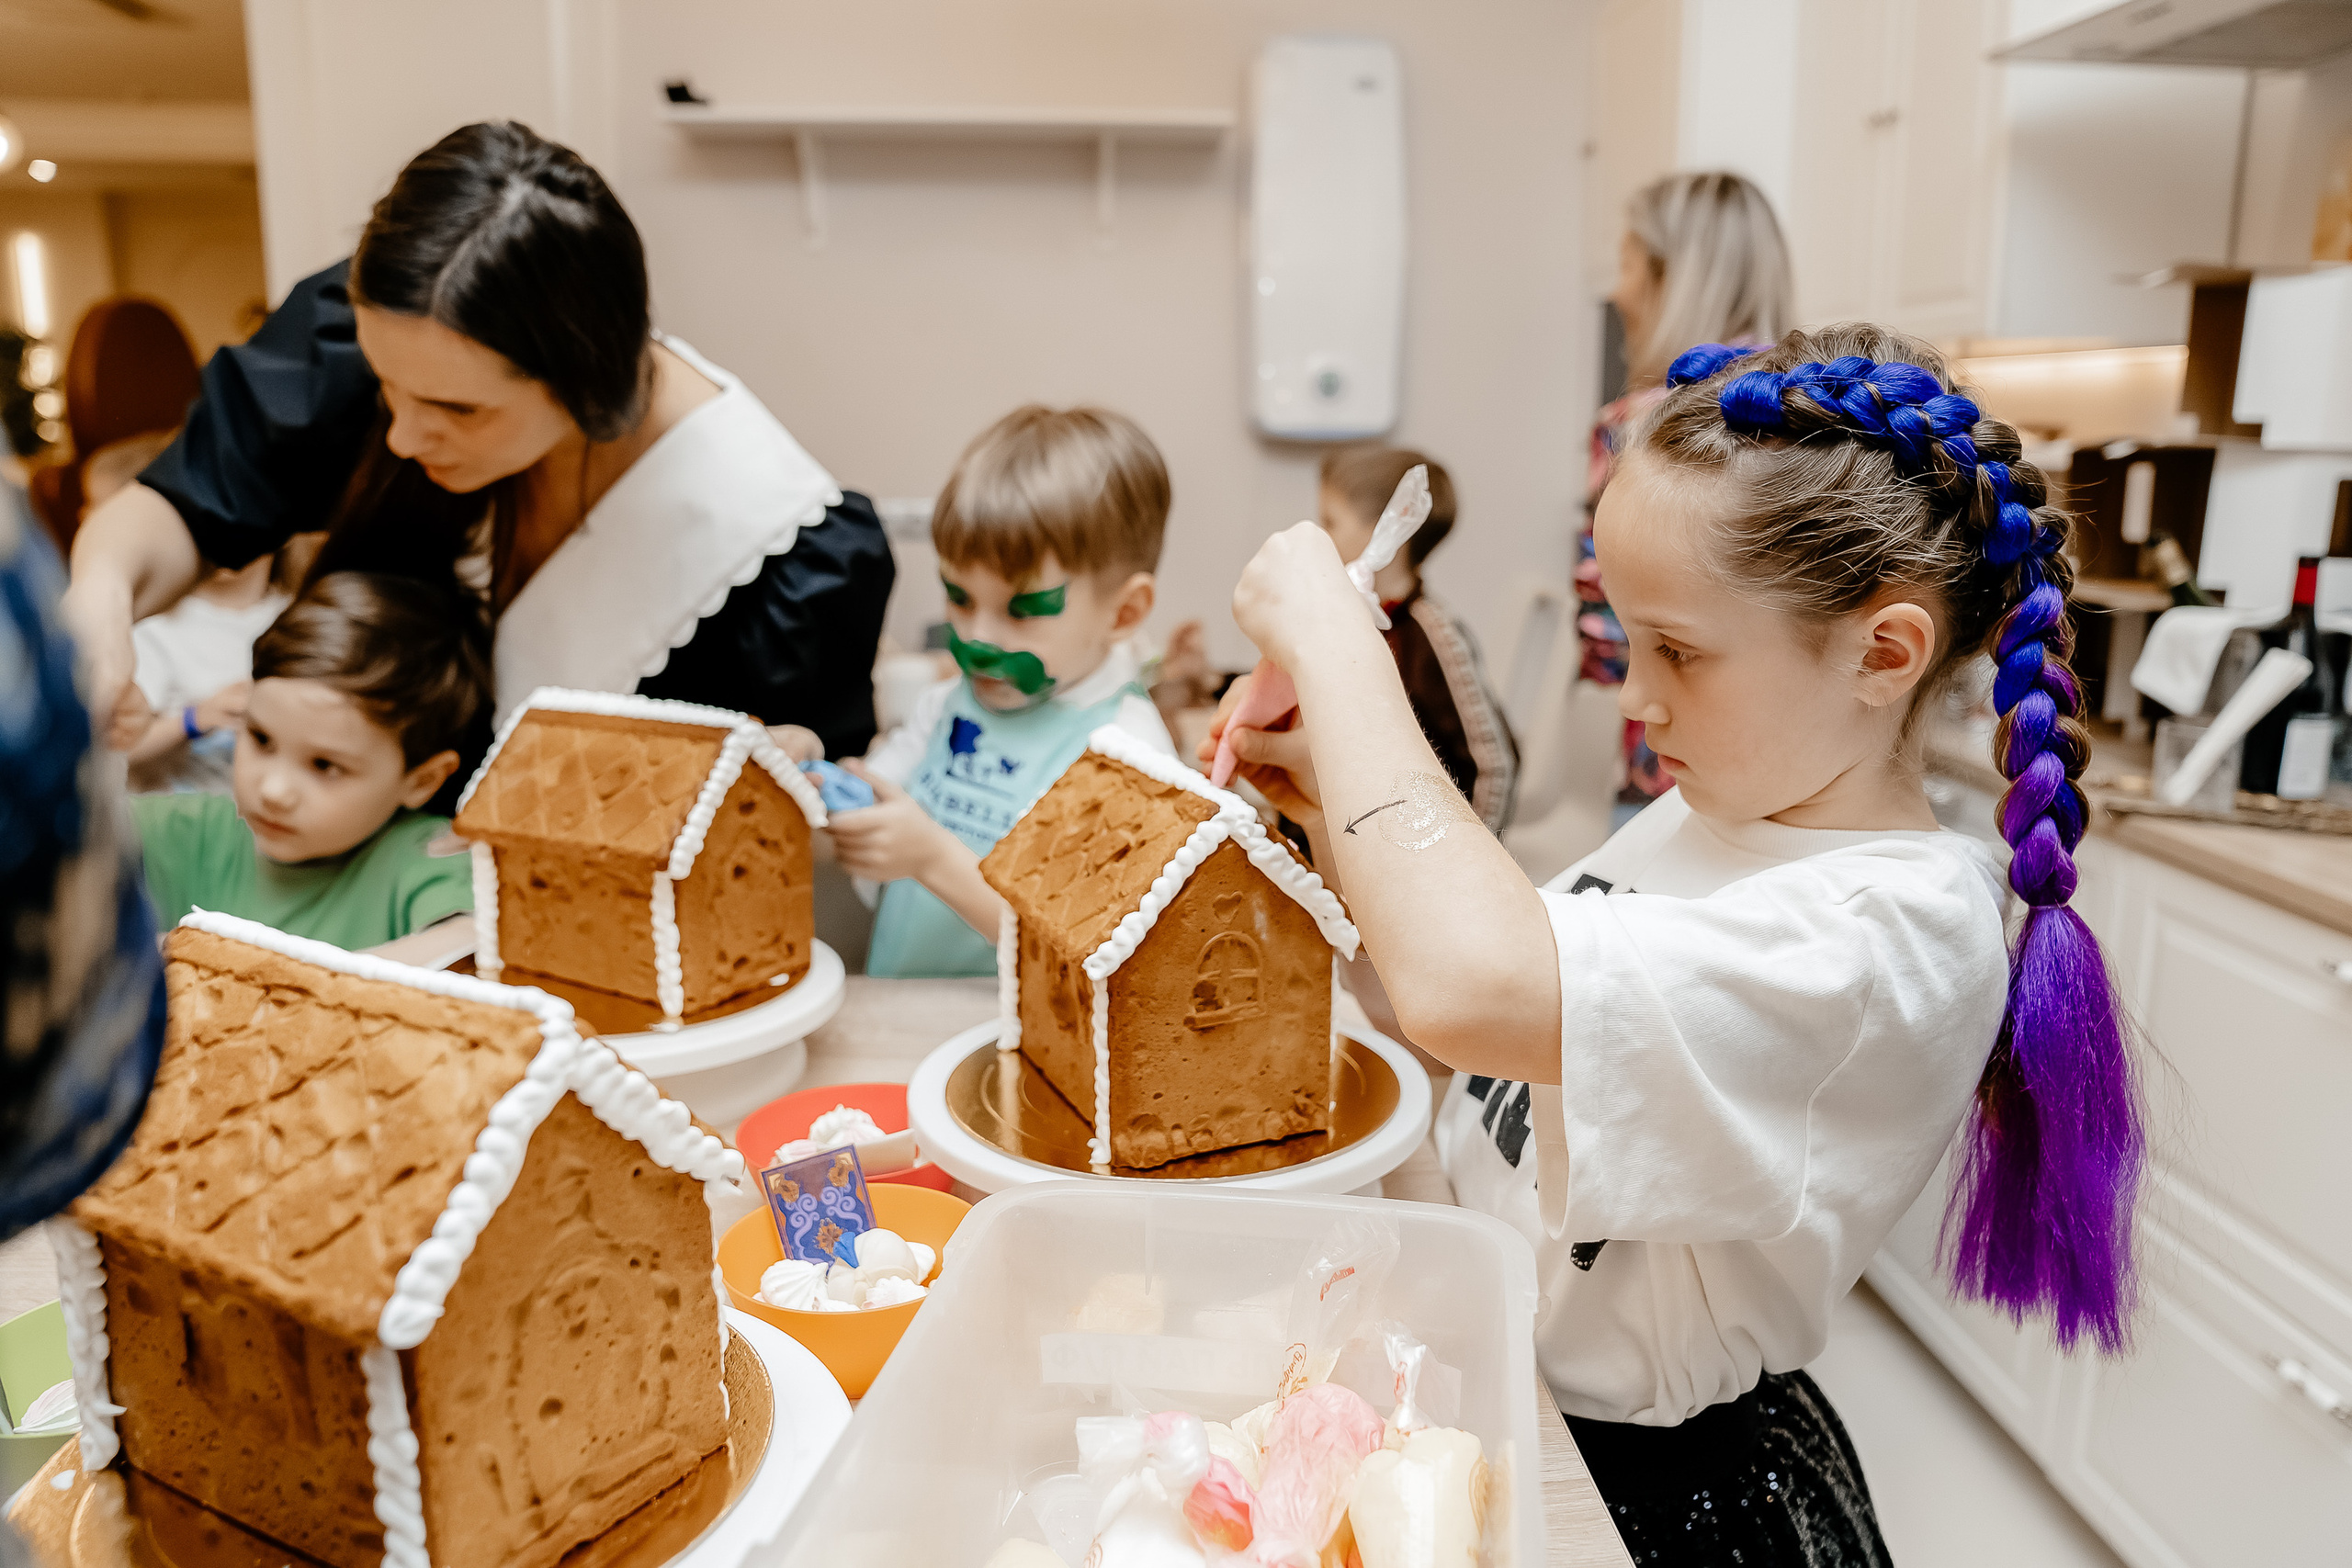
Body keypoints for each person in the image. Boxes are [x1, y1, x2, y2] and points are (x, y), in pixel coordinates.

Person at [1210, 327, 2143, 1565]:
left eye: (1681, 651)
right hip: (1518, 1401)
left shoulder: (1887, 938)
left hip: (1662, 1495)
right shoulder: (1724, 804)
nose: (1639, 697)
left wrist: (1339, 647)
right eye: (1631, 637)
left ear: (1884, 651)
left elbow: (1468, 985)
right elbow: (1505, 1030)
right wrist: (1335, 807)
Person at [60, 120, 893, 788]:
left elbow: (798, 815)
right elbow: (181, 504)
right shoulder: (393, 341)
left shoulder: (780, 553)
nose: (401, 435)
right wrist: (100, 607)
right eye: (388, 387)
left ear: (586, 383)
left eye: (458, 409)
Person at [833, 405, 1175, 977]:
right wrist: (814, 782)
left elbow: (1079, 950)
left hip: (1021, 1044)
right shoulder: (950, 703)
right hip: (904, 1010)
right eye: (959, 599)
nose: (976, 638)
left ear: (1124, 612)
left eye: (1022, 611)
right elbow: (877, 803)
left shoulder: (1127, 755)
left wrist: (931, 857)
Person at [130, 572, 488, 951]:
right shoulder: (190, 833)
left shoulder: (427, 858)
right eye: (261, 739)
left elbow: (466, 946)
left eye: (325, 766)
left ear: (422, 781)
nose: (273, 791)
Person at [1585, 171, 1792, 818]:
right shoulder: (1827, 424)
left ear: (1672, 276)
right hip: (1795, 785)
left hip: (1670, 779)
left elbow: (1605, 633)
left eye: (1626, 264)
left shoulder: (1639, 428)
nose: (1616, 289)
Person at [1317, 444, 1517, 832]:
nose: (1319, 536)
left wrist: (1470, 864)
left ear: (1389, 526)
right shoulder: (1353, 621)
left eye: (1330, 521)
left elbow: (1494, 767)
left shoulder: (1433, 636)